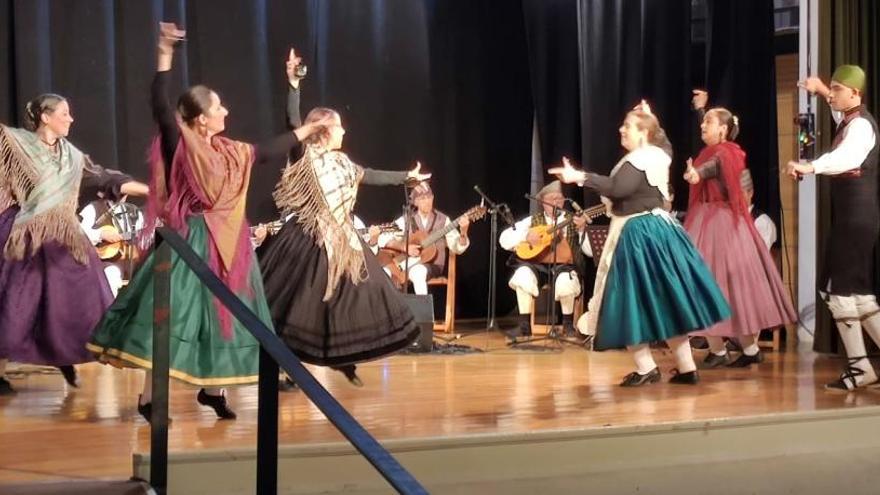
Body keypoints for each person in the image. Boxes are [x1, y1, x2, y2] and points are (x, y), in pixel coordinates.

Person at [88, 23, 326, 421]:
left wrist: (306, 123)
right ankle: (149, 399)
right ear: (200, 119)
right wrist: (164, 54)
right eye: (218, 108)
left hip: (230, 244)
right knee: (170, 315)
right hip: (192, 243)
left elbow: (267, 151)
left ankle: (213, 391)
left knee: (229, 314)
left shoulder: (231, 151)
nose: (226, 112)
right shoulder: (183, 143)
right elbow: (162, 108)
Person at [550, 107, 730, 386]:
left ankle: (647, 368)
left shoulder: (641, 158)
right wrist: (652, 117)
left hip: (638, 234)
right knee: (664, 301)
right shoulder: (658, 154)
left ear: (644, 133)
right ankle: (686, 368)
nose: (621, 130)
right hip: (657, 230)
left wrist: (580, 177)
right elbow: (665, 145)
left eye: (628, 126)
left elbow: (618, 188)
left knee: (625, 300)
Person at [258, 104, 430, 387]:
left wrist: (406, 177)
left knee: (364, 291)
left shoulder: (343, 163)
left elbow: (370, 174)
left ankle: (341, 354)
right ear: (324, 130)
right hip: (309, 238)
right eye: (338, 126)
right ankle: (280, 363)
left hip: (342, 238)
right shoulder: (305, 157)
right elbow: (292, 124)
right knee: (296, 302)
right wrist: (293, 86)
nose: (344, 131)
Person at [0, 92, 147, 396]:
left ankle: (62, 353)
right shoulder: (16, 145)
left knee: (79, 294)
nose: (70, 119)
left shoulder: (72, 156)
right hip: (25, 232)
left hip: (63, 233)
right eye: (64, 113)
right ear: (45, 116)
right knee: (17, 299)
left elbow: (102, 177)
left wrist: (150, 191)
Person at [788, 65, 880, 391]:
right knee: (856, 293)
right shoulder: (851, 120)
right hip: (854, 219)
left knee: (837, 291)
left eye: (840, 89)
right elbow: (839, 117)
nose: (835, 93)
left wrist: (810, 165)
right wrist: (823, 91)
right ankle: (861, 367)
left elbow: (846, 158)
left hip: (856, 220)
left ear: (856, 93)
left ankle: (859, 368)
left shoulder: (862, 128)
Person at [683, 107, 795, 368]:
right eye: (703, 121)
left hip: (720, 224)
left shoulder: (725, 152)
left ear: (723, 129)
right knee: (711, 286)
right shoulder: (713, 152)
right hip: (711, 220)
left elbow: (715, 168)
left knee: (713, 285)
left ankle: (737, 349)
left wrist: (696, 174)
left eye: (708, 121)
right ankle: (737, 349)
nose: (702, 125)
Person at [498, 180, 592, 339]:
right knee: (522, 275)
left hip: (566, 267)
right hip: (538, 267)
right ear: (543, 203)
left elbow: (589, 252)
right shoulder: (532, 221)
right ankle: (524, 326)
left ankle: (567, 325)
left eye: (559, 198)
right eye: (552, 199)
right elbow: (504, 239)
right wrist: (526, 235)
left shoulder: (574, 220)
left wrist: (582, 230)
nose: (556, 202)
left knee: (565, 281)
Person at [379, 182, 470, 295]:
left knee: (418, 272)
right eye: (423, 198)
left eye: (429, 197)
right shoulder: (407, 219)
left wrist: (463, 232)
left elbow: (457, 248)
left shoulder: (443, 220)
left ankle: (424, 313)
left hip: (433, 265)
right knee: (384, 272)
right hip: (406, 264)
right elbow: (383, 237)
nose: (427, 201)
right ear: (416, 202)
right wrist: (404, 247)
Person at [79, 195, 145, 296]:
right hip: (99, 269)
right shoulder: (92, 209)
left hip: (129, 272)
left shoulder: (135, 215)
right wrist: (101, 234)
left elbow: (142, 240)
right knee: (111, 274)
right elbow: (78, 237)